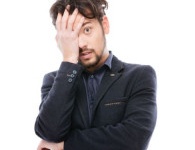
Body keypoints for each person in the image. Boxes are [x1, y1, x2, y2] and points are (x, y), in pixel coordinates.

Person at [34, 0, 157, 149]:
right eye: (71, 36)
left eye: (87, 30)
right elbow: (49, 133)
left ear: (104, 24)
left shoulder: (139, 76)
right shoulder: (54, 80)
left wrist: (65, 145)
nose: (80, 44)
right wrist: (69, 60)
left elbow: (134, 138)